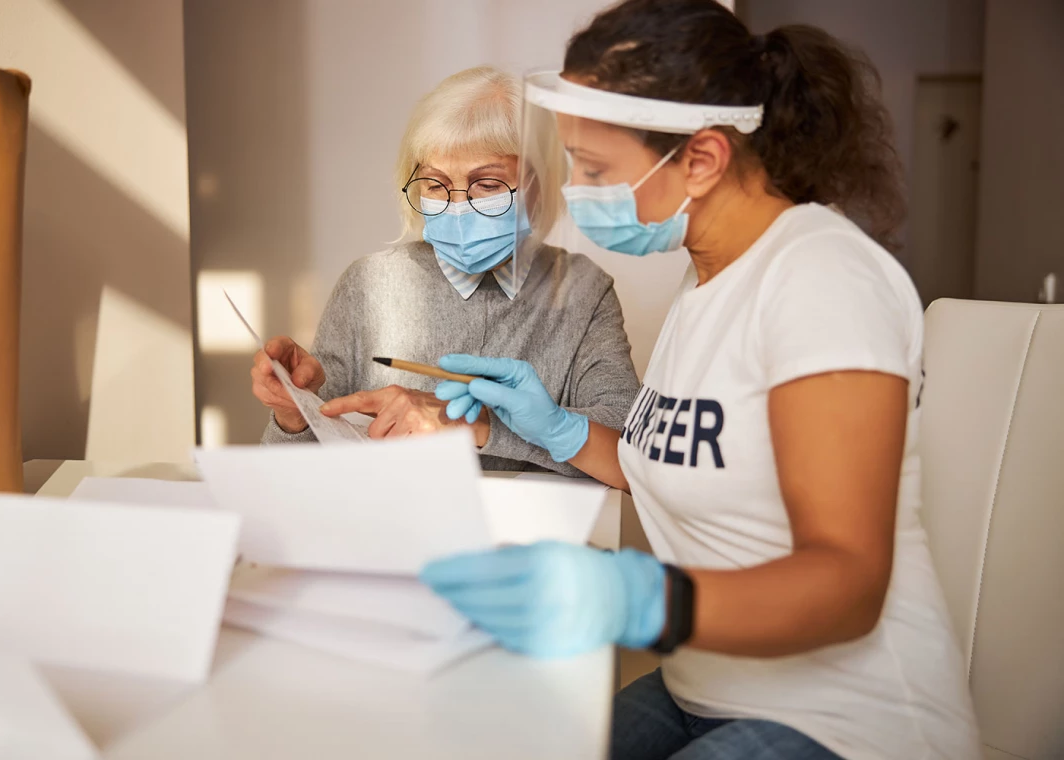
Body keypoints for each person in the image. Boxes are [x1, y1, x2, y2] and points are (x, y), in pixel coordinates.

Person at [418, 2, 981, 758]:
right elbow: (683, 462)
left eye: (595, 171)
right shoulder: (708, 278)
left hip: (845, 719)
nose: (580, 198)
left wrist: (633, 596)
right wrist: (539, 425)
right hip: (703, 687)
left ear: (703, 159)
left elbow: (847, 584)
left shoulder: (821, 280)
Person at [250, 66, 639, 475]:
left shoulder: (581, 289)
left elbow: (629, 450)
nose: (457, 207)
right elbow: (296, 472)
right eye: (435, 185)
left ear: (538, 185)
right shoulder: (369, 285)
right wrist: (293, 414)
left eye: (486, 185)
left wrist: (480, 427)